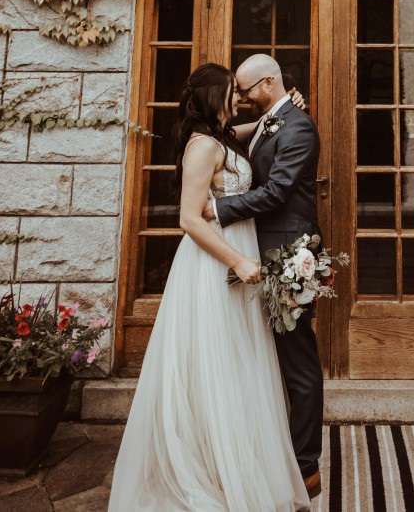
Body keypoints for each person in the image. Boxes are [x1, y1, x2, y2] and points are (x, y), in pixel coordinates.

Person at [108, 63, 309, 512]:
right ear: (212, 97)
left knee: (237, 365)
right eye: (230, 92)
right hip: (214, 262)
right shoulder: (201, 146)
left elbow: (260, 125)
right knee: (213, 364)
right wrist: (237, 258)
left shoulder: (224, 137)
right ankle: (206, 470)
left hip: (238, 252)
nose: (236, 98)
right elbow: (187, 219)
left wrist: (286, 107)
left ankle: (230, 463)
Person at [206, 53, 323, 501]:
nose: (240, 97)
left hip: (291, 255)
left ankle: (306, 466)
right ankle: (273, 453)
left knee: (298, 363)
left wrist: (217, 209)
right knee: (267, 357)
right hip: (262, 252)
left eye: (245, 89)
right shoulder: (273, 120)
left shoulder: (298, 128)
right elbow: (228, 136)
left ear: (268, 84)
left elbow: (276, 193)